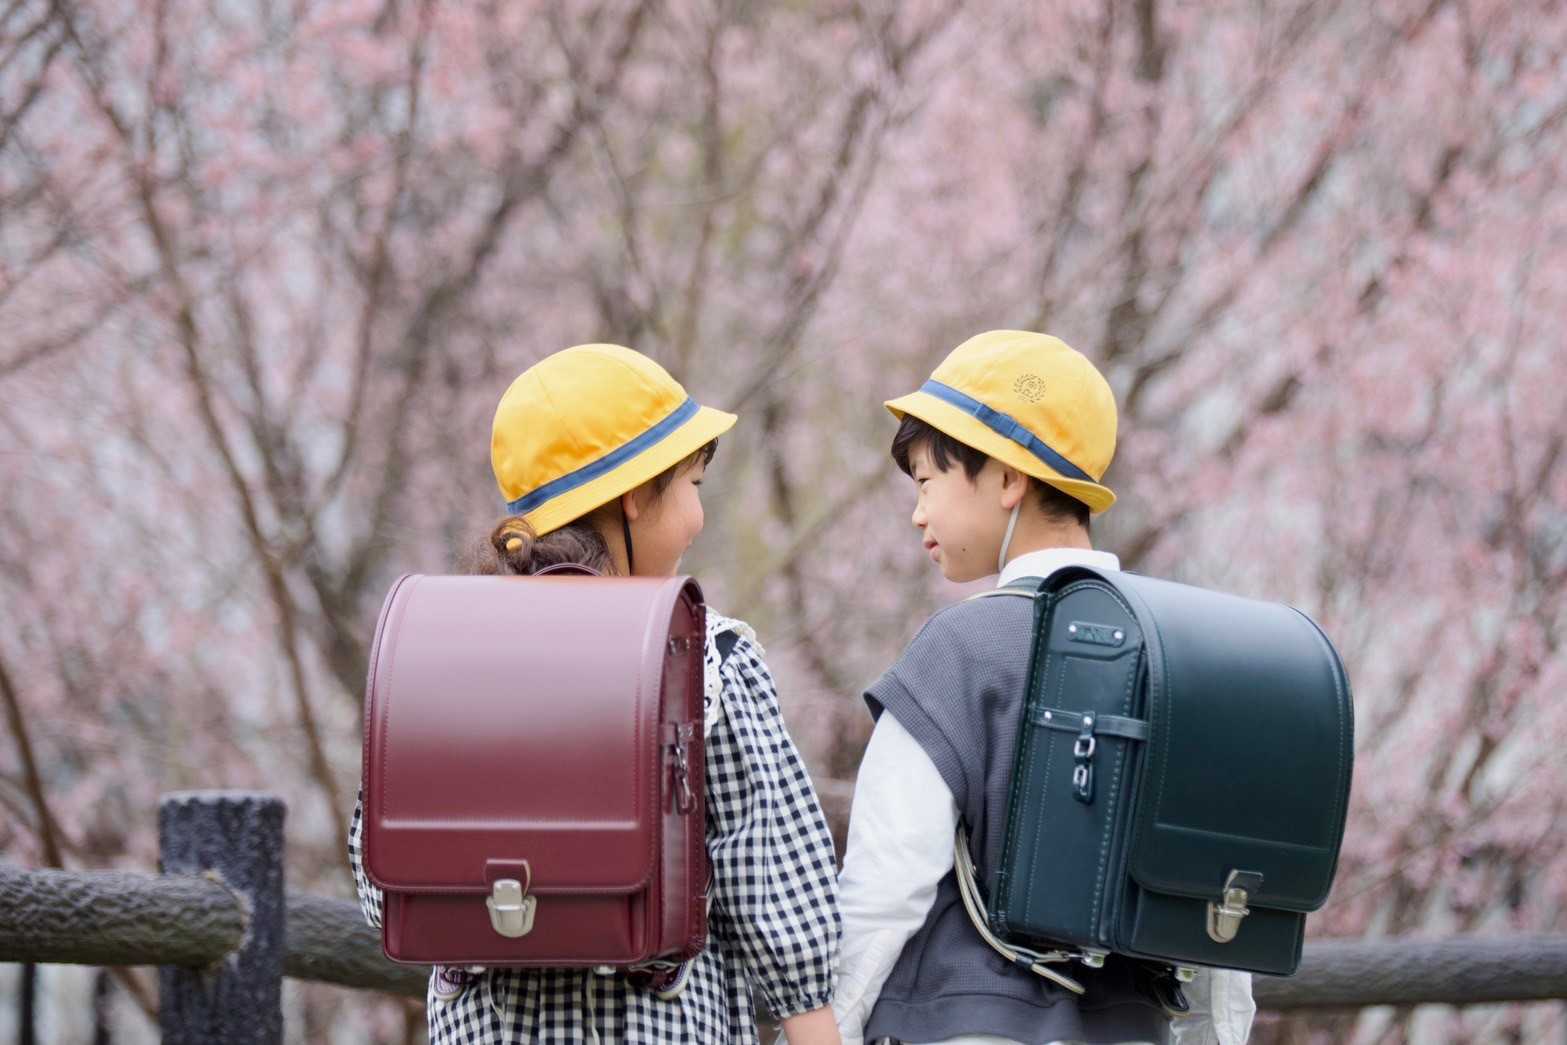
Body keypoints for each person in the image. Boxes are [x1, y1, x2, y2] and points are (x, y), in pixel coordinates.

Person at [348, 343, 843, 1044]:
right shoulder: (706, 655)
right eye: (692, 485)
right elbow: (777, 892)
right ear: (635, 495)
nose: (698, 515)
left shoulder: (436, 651)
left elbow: (381, 886)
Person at [833, 330, 1255, 1045]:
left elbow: (883, 887)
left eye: (927, 482)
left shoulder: (959, 649)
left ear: (1007, 478)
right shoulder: (1181, 653)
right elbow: (1218, 910)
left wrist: (828, 1028)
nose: (918, 512)